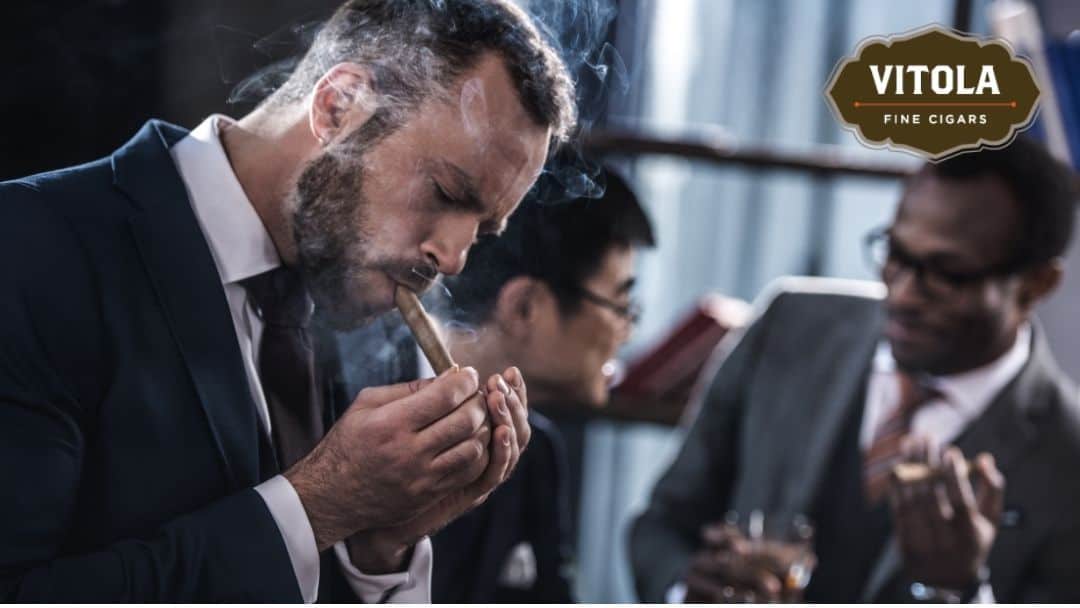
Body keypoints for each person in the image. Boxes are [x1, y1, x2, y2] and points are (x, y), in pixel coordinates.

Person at [0, 0, 576, 601]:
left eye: (483, 231)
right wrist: (320, 505)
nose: (455, 256)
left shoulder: (368, 323)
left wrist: (380, 545)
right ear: (339, 106)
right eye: (446, 192)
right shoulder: (32, 247)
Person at [630, 137, 1080, 603]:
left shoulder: (1069, 461)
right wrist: (686, 590)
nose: (903, 295)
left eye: (949, 274)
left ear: (1035, 285)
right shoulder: (791, 326)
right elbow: (661, 526)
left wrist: (958, 591)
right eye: (896, 255)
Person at [418, 167, 655, 601]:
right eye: (619, 305)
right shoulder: (373, 417)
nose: (627, 332)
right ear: (524, 307)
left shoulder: (537, 455)